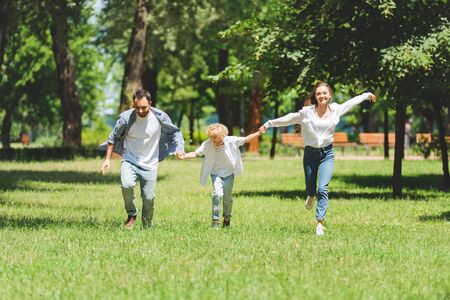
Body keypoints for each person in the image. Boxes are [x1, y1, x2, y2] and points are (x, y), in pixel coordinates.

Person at [259, 82, 376, 236]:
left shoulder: (336, 109)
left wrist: (366, 95)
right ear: (315, 96)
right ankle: (310, 195)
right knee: (311, 188)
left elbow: (351, 102)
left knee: (323, 188)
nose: (322, 96)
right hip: (310, 155)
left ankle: (320, 223)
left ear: (330, 95)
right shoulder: (307, 112)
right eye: (319, 93)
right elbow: (289, 118)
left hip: (327, 154)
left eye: (324, 93)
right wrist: (269, 124)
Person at [99, 88, 184, 229]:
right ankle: (131, 214)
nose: (140, 111)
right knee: (126, 185)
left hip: (150, 163)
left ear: (150, 103)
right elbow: (113, 137)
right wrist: (107, 160)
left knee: (149, 198)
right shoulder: (126, 118)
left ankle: (147, 224)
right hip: (129, 159)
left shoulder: (160, 117)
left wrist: (179, 149)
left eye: (143, 107)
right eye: (136, 107)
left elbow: (174, 132)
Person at [176, 123, 261, 228]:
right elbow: (196, 153)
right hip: (216, 173)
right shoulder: (208, 144)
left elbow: (247, 139)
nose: (216, 143)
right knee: (217, 194)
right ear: (210, 138)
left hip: (229, 174)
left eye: (219, 140)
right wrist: (184, 156)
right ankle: (215, 220)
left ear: (224, 136)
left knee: (228, 198)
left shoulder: (231, 141)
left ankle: (227, 218)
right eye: (214, 141)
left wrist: (259, 133)